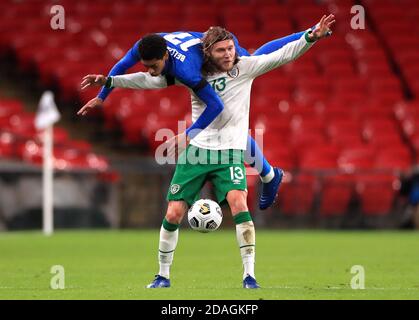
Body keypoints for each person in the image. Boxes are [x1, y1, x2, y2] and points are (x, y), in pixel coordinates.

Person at [88, 15, 334, 288]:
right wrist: (108, 83)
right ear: (208, 53)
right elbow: (148, 81)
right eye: (221, 50)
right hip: (198, 151)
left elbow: (282, 54)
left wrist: (310, 36)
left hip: (229, 150)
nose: (229, 54)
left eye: (231, 48)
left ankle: (249, 276)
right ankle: (162, 276)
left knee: (239, 203)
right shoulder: (191, 75)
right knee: (173, 213)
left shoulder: (246, 67)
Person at [77, 29, 316, 210]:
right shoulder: (145, 46)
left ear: (164, 56)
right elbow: (123, 66)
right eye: (146, 66)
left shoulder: (187, 70)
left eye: (154, 66)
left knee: (255, 65)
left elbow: (214, 105)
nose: (150, 70)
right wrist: (102, 96)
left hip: (213, 51)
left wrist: (189, 134)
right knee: (229, 123)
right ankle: (270, 175)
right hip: (205, 44)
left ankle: (270, 175)